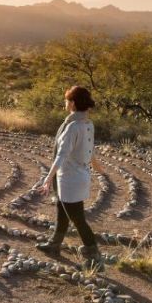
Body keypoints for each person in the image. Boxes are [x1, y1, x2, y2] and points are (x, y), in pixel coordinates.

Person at [36, 85, 105, 271]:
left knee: (78, 219)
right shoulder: (88, 124)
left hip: (69, 179)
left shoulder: (73, 126)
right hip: (77, 176)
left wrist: (48, 178)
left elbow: (62, 155)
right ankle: (54, 245)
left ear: (73, 103)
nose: (65, 102)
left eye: (67, 99)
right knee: (62, 210)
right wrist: (99, 169)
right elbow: (89, 151)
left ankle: (95, 257)